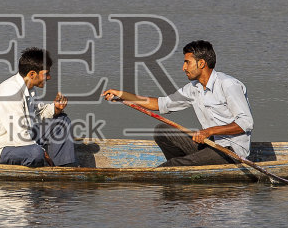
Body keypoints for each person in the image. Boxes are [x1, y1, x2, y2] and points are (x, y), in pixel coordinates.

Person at [102, 40, 252, 166]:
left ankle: (179, 167)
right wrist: (122, 95)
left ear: (201, 63)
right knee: (162, 131)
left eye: (187, 62)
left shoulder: (228, 85)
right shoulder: (194, 88)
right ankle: (187, 166)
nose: (183, 68)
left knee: (175, 165)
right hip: (209, 144)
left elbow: (245, 123)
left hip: (231, 152)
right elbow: (160, 104)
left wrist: (209, 131)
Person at [0, 47, 78, 168]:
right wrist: (43, 152)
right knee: (36, 153)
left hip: (19, 139)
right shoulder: (10, 93)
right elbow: (20, 136)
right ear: (32, 74)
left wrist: (56, 109)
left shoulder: (30, 88)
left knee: (62, 120)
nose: (49, 77)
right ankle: (46, 166)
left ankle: (62, 168)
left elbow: (39, 113)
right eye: (46, 74)